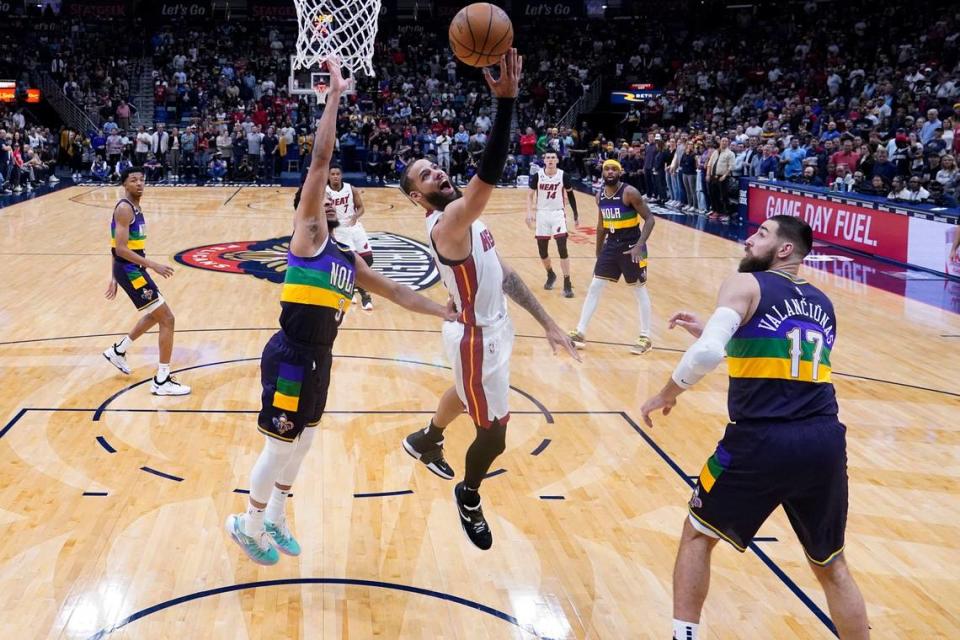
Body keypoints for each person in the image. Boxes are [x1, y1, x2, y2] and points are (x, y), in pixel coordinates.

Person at [225, 59, 456, 566]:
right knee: (280, 446)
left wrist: (443, 309)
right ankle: (248, 522)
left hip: (319, 358)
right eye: (320, 200)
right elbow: (320, 160)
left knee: (304, 442)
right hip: (290, 354)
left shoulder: (346, 258)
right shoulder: (307, 238)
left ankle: (278, 516)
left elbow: (397, 293)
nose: (329, 201)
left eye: (332, 202)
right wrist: (334, 96)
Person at [639, 215, 869, 640]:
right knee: (831, 564)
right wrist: (722, 335)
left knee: (697, 534)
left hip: (762, 441)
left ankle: (683, 637)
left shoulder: (744, 284)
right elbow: (781, 364)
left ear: (784, 250)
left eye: (761, 234)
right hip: (824, 441)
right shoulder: (823, 303)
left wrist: (668, 392)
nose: (748, 239)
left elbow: (705, 355)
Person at [398, 50, 579, 550]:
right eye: (425, 177)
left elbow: (506, 275)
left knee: (462, 392)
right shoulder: (450, 222)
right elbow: (491, 174)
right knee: (494, 433)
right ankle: (469, 494)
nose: (436, 174)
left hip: (489, 329)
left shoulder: (468, 221)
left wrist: (547, 322)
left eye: (435, 168)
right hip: (477, 339)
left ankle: (427, 438)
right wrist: (506, 103)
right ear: (418, 198)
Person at [102, 166, 191, 396]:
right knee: (167, 319)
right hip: (132, 270)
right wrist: (153, 265)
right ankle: (162, 380)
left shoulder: (134, 207)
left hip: (131, 268)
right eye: (134, 180)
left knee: (156, 315)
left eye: (142, 180)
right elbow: (120, 249)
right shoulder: (124, 209)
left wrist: (114, 276)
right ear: (124, 184)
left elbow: (117, 246)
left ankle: (118, 350)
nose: (139, 184)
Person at [568, 159, 656, 355]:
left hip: (634, 245)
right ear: (602, 172)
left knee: (639, 290)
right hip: (612, 245)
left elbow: (650, 219)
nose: (609, 172)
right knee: (595, 286)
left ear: (619, 173)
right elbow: (601, 226)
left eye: (613, 169)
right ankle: (580, 332)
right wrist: (599, 250)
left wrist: (639, 245)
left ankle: (646, 337)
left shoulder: (630, 192)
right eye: (607, 169)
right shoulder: (599, 196)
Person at [526, 150, 575, 297]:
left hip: (557, 213)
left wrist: (576, 214)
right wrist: (529, 212)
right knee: (542, 251)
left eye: (553, 157)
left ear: (557, 160)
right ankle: (551, 274)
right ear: (544, 160)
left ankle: (567, 283)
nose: (550, 160)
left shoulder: (563, 175)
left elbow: (571, 195)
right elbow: (529, 195)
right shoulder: (537, 176)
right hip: (542, 214)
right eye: (548, 157)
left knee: (562, 247)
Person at [326, 165, 375, 310]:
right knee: (352, 262)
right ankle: (365, 297)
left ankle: (351, 286)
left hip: (355, 228)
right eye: (332, 174)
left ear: (341, 175)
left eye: (337, 174)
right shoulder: (325, 192)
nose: (335, 176)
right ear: (328, 176)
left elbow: (361, 207)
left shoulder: (350, 188)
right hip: (339, 230)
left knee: (368, 260)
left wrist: (355, 216)